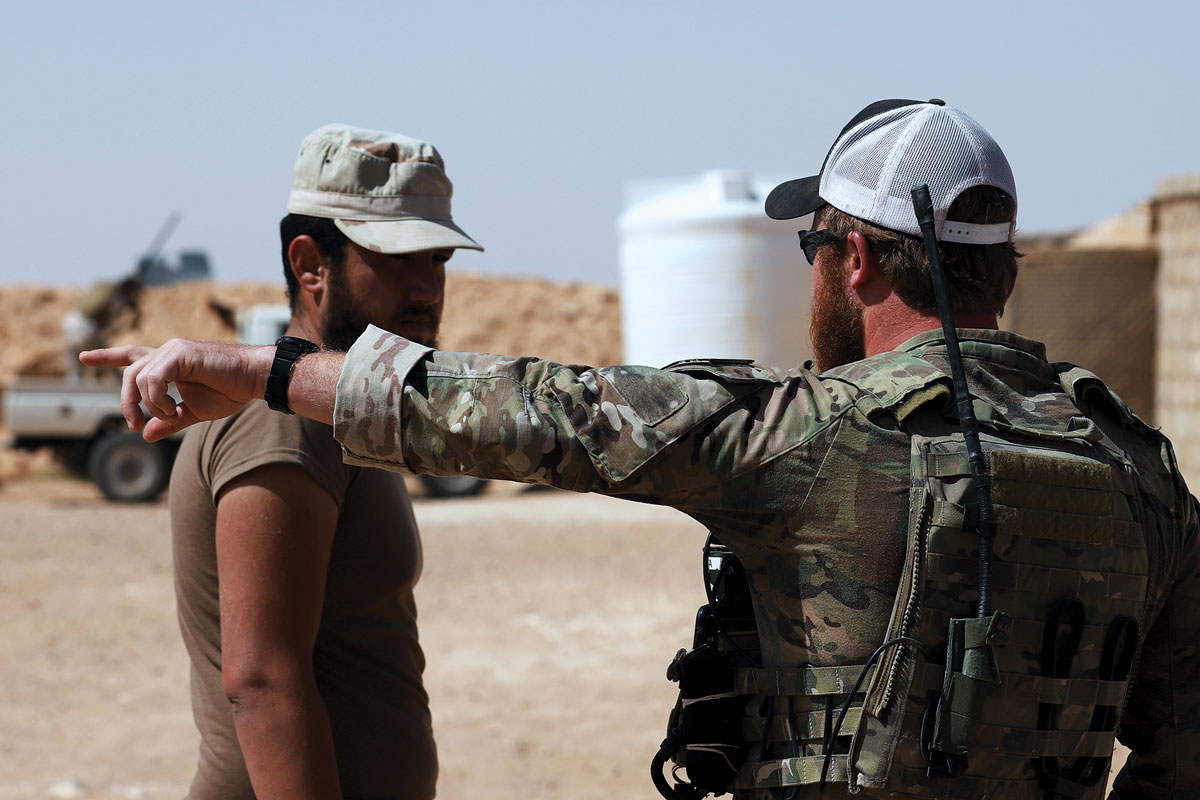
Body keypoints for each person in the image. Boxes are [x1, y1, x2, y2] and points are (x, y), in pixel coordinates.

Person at [85, 100, 1200, 799]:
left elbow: (529, 410)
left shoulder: (801, 439)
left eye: (813, 246)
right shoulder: (1142, 472)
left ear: (854, 259)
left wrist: (259, 368)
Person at [166, 123, 481, 800]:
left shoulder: (339, 413)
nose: (428, 288)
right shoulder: (286, 422)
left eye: (439, 261)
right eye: (399, 259)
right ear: (310, 265)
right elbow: (262, 682)